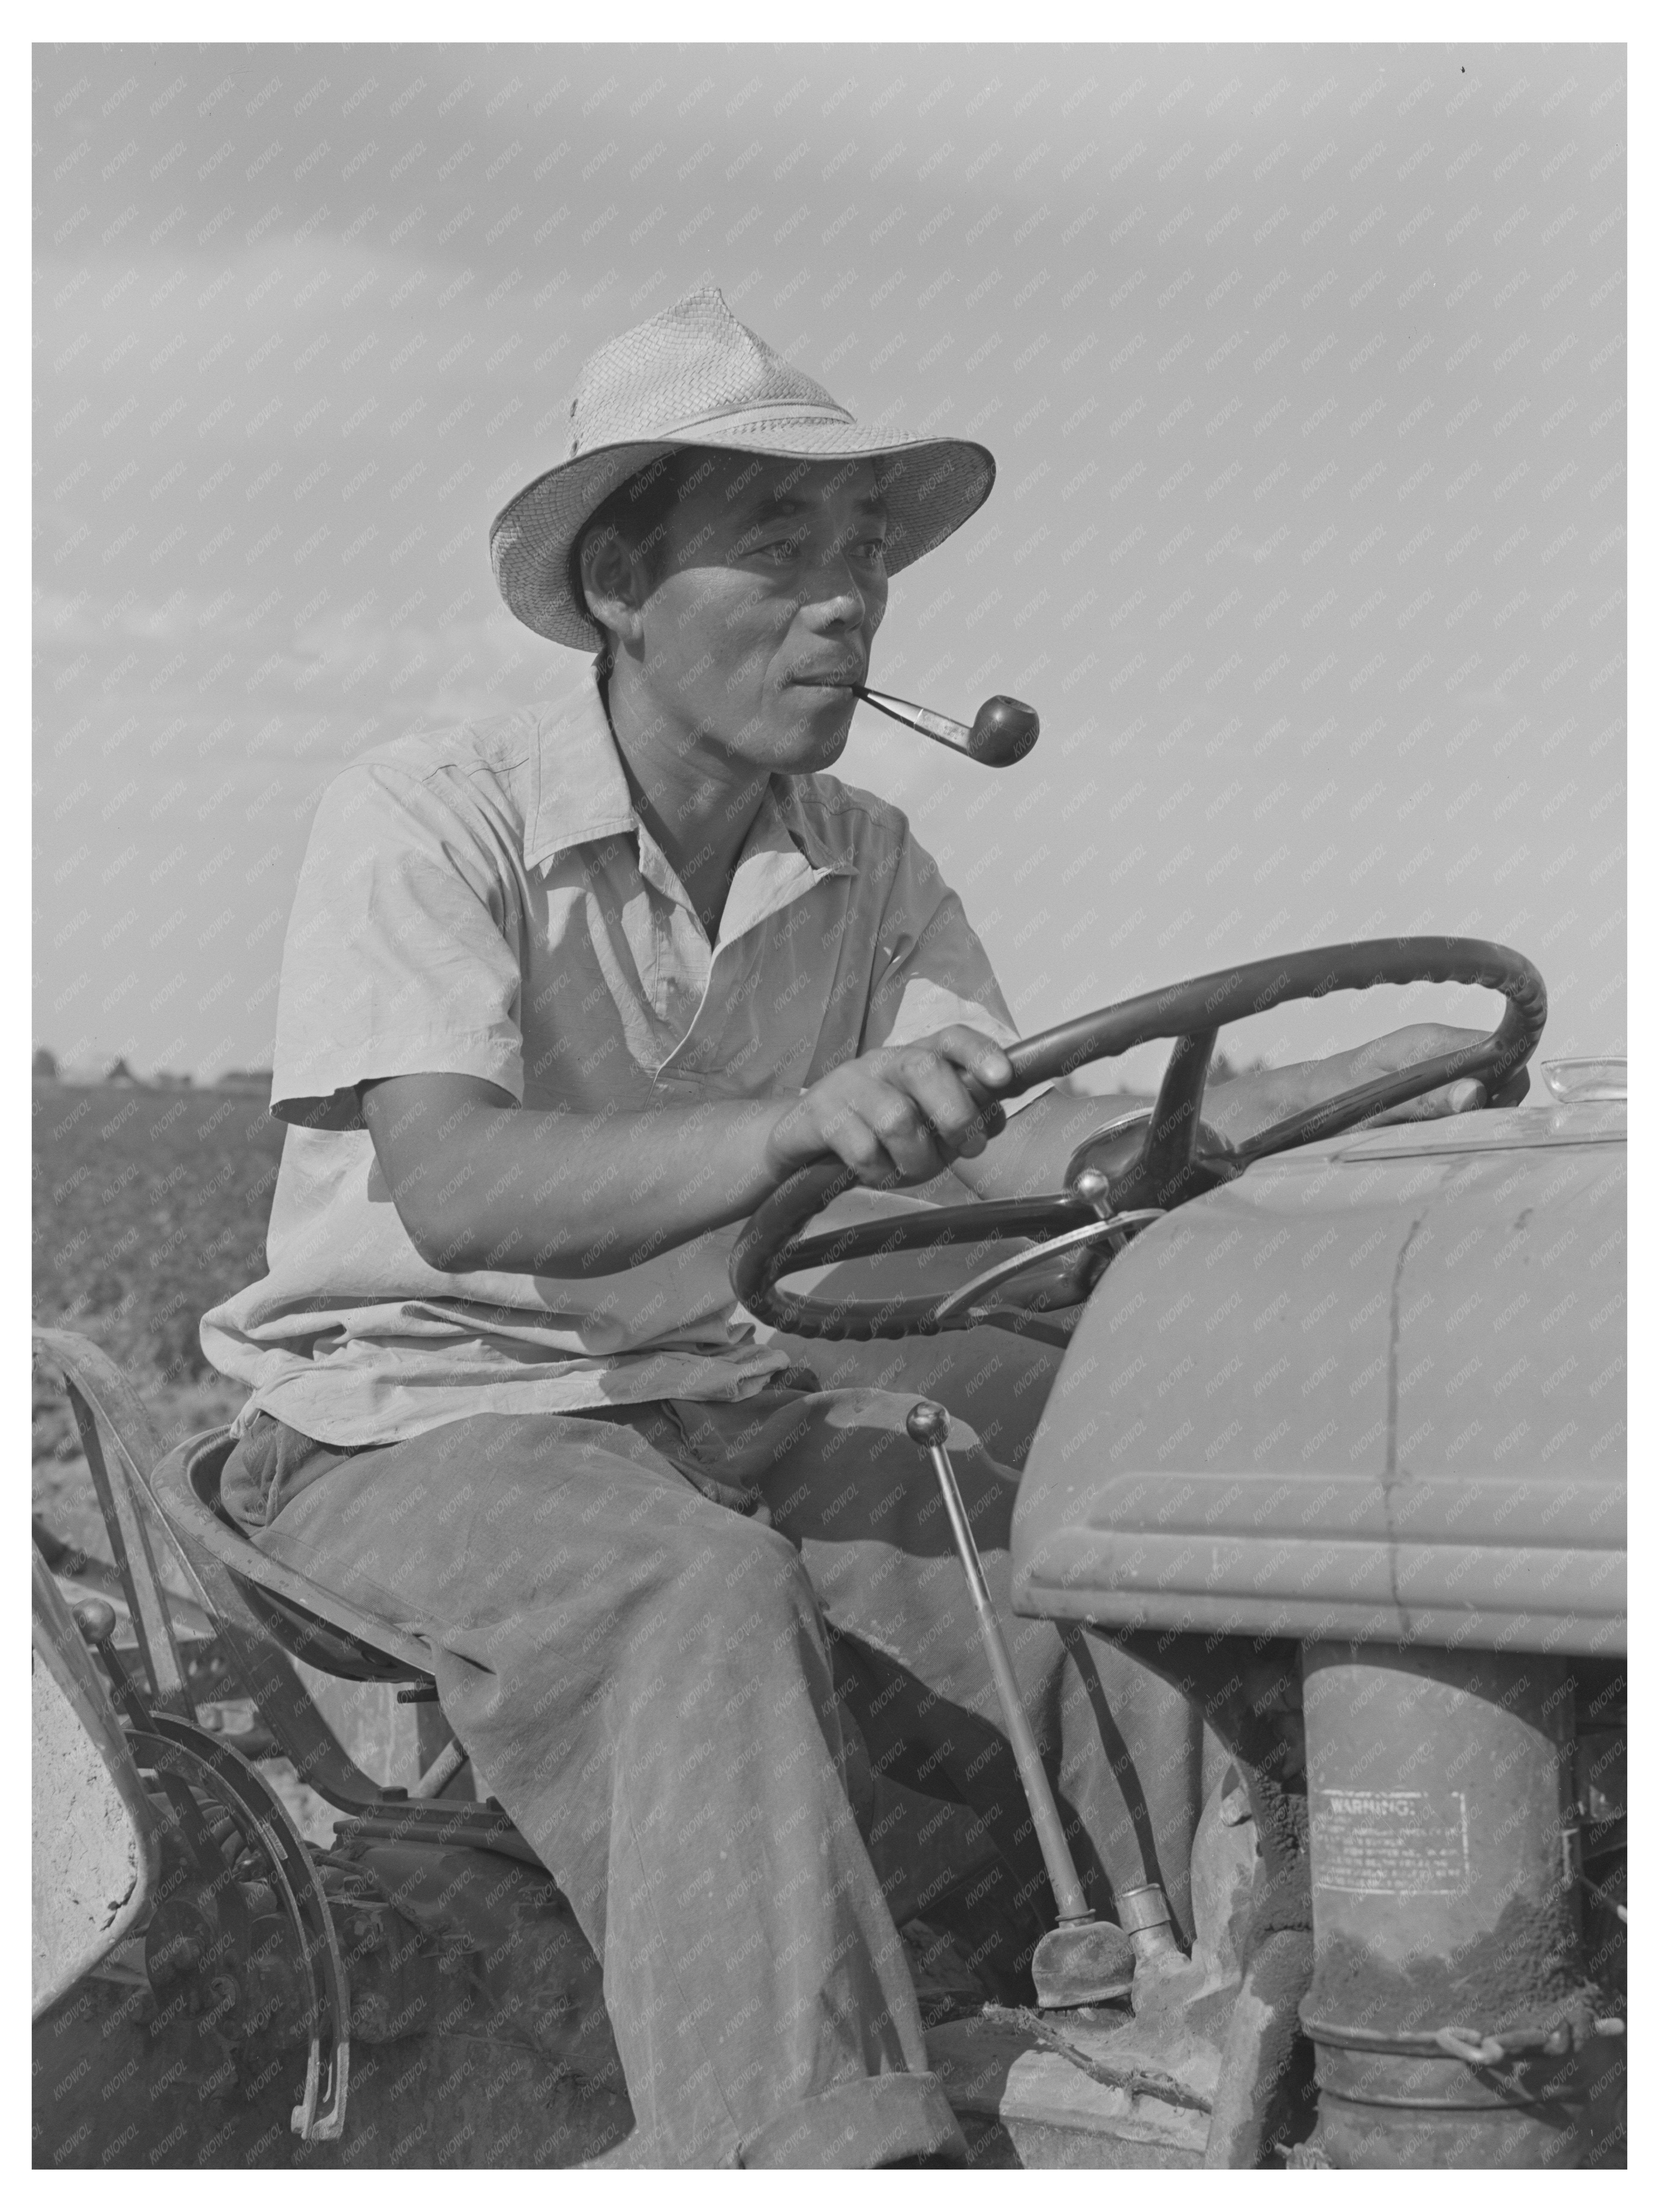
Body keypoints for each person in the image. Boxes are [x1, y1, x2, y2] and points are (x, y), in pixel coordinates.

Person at [202, 287, 1504, 2167]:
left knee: (1063, 1570)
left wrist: (1281, 1098)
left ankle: (1281, 2049)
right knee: (696, 1597)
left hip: (699, 1398)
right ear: (624, 584)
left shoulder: (867, 860)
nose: (846, 598)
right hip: (401, 1422)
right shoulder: (431, 814)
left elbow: (1018, 1124)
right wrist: (796, 1123)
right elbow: (459, 1182)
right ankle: (818, 2150)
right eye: (780, 544)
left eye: (864, 550)